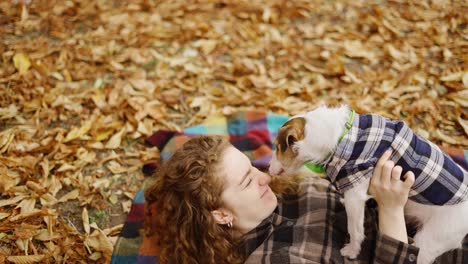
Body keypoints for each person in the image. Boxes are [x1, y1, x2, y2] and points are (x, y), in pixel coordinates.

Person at [144, 135, 467, 263]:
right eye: (247, 181)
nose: (266, 176)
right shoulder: (275, 259)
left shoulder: (289, 191)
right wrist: (391, 210)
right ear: (219, 215)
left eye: (253, 168)